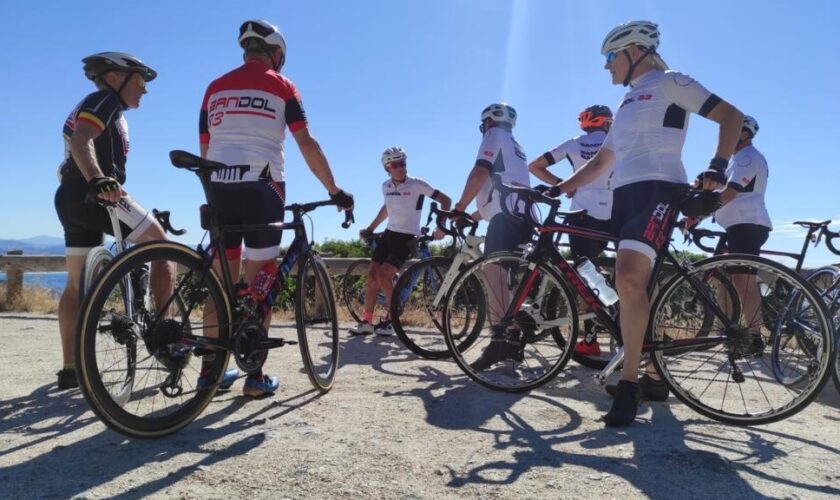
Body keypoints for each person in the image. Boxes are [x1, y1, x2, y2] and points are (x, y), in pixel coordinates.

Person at [555, 21, 744, 426]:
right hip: (624, 194)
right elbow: (603, 161)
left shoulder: (670, 82)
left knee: (628, 279)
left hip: (658, 188)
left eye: (609, 57)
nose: (606, 67)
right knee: (632, 283)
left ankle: (629, 384)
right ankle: (657, 375)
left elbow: (731, 116)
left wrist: (717, 166)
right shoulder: (625, 104)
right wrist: (559, 189)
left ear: (634, 50)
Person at [199, 19, 354, 397]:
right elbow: (307, 144)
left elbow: (205, 145)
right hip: (263, 188)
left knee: (220, 283)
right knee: (261, 280)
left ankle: (210, 374)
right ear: (277, 54)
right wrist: (334, 190)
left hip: (219, 185)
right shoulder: (283, 86)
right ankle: (255, 377)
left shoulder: (214, 87)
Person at [54, 52, 174, 390]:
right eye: (138, 81)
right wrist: (97, 179)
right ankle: (165, 337)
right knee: (162, 246)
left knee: (76, 284)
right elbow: (82, 140)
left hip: (69, 197)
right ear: (113, 78)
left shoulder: (99, 106)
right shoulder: (103, 100)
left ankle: (70, 367)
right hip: (98, 193)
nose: (144, 90)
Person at [452, 103, 533, 371]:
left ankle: (500, 341)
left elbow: (479, 173)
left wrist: (459, 208)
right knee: (504, 282)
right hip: (523, 215)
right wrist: (474, 216)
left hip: (506, 217)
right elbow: (498, 189)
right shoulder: (515, 145)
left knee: (492, 275)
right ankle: (512, 336)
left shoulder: (492, 135)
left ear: (486, 123)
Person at [528, 105, 614, 357]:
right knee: (618, 269)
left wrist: (564, 186)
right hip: (616, 210)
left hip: (582, 212)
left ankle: (590, 340)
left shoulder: (574, 144)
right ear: (607, 122)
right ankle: (621, 320)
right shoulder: (616, 141)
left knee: (585, 273)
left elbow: (535, 166)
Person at [349, 147, 451, 336]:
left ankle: (391, 321)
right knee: (372, 277)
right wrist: (371, 229)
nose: (400, 168)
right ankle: (367, 323)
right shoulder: (385, 186)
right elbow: (387, 209)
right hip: (389, 235)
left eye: (403, 163)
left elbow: (446, 200)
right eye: (395, 165)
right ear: (387, 167)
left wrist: (441, 227)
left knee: (384, 276)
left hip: (407, 237)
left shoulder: (417, 184)